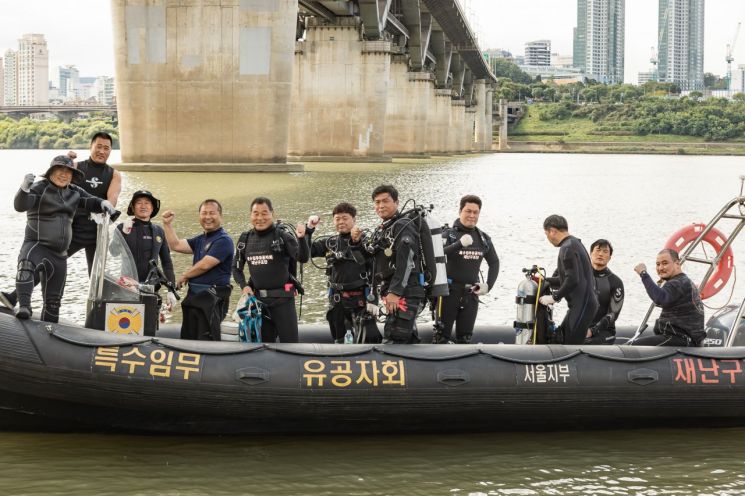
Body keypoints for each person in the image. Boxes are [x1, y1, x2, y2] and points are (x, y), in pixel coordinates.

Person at [4, 156, 117, 322]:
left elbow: (91, 201)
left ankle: (49, 333)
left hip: (59, 254)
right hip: (37, 245)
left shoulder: (74, 191)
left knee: (54, 302)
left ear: (72, 175)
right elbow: (20, 206)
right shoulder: (39, 188)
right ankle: (24, 307)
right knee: (26, 267)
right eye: (60, 170)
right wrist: (24, 188)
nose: (64, 175)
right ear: (51, 171)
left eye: (68, 172)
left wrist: (103, 203)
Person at [352, 185, 425, 344]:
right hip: (394, 291)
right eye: (377, 202)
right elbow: (366, 260)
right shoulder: (384, 229)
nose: (381, 206)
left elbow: (407, 261)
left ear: (397, 202)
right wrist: (356, 243)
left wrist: (395, 292)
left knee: (394, 338)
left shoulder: (402, 225)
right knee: (406, 339)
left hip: (406, 293)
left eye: (386, 201)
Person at [299, 202, 381, 344]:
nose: (341, 222)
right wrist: (309, 230)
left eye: (345, 218)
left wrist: (374, 300)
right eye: (337, 219)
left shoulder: (366, 241)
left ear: (354, 220)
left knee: (367, 340)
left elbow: (376, 270)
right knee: (339, 339)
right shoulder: (329, 243)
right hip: (337, 300)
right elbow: (306, 253)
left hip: (360, 300)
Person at [232, 197, 309, 343]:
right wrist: (244, 286)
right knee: (263, 347)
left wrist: (301, 238)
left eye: (264, 213)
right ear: (250, 215)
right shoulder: (245, 239)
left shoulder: (283, 236)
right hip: (259, 303)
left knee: (291, 345)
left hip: (283, 301)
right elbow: (236, 268)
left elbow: (303, 258)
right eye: (256, 213)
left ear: (272, 214)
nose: (260, 218)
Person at [162, 199, 233, 341]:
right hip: (194, 296)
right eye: (204, 213)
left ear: (220, 216)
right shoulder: (201, 239)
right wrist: (167, 224)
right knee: (188, 337)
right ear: (199, 216)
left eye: (212, 213)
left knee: (206, 339)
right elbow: (175, 245)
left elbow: (205, 265)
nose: (208, 217)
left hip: (212, 299)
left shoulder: (224, 240)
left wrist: (185, 276)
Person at [436, 195, 499, 344]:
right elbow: (437, 256)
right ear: (460, 211)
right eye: (468, 211)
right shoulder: (448, 234)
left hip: (471, 294)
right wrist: (458, 244)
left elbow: (494, 262)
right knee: (441, 337)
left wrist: (488, 286)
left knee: (465, 339)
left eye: (475, 212)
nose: (471, 215)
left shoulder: (483, 238)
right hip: (448, 293)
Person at [67, 132, 122, 274]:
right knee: (52, 260)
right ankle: (15, 295)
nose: (102, 151)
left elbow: (112, 200)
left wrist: (109, 209)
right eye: (98, 147)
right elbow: (56, 181)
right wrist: (66, 161)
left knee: (97, 276)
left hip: (97, 230)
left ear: (110, 150)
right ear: (90, 147)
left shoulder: (114, 174)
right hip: (73, 228)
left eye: (106, 148)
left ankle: (95, 297)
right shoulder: (76, 166)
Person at [540, 215, 599, 345]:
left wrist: (554, 297)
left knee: (569, 346)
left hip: (583, 306)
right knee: (561, 339)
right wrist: (544, 280)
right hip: (582, 305)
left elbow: (572, 280)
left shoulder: (567, 248)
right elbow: (565, 280)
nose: (548, 239)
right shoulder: (574, 243)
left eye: (546, 234)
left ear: (553, 231)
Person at [117, 190, 177, 315]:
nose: (143, 206)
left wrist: (171, 290)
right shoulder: (123, 227)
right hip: (127, 287)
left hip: (151, 288)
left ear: (152, 207)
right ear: (133, 207)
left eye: (147, 203)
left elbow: (166, 263)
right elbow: (113, 252)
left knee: (150, 326)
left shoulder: (158, 231)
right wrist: (123, 233)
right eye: (139, 203)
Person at [632, 248, 705, 346]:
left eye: (665, 263)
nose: (660, 268)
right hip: (682, 337)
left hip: (681, 338)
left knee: (633, 346)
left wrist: (643, 274)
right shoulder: (683, 281)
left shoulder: (678, 283)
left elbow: (660, 299)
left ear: (677, 264)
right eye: (658, 264)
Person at [585, 239, 624, 345]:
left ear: (610, 257)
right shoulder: (580, 277)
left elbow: (613, 314)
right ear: (590, 253)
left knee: (586, 343)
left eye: (605, 252)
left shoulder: (615, 282)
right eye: (598, 250)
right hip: (581, 328)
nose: (601, 254)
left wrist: (592, 331)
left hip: (604, 331)